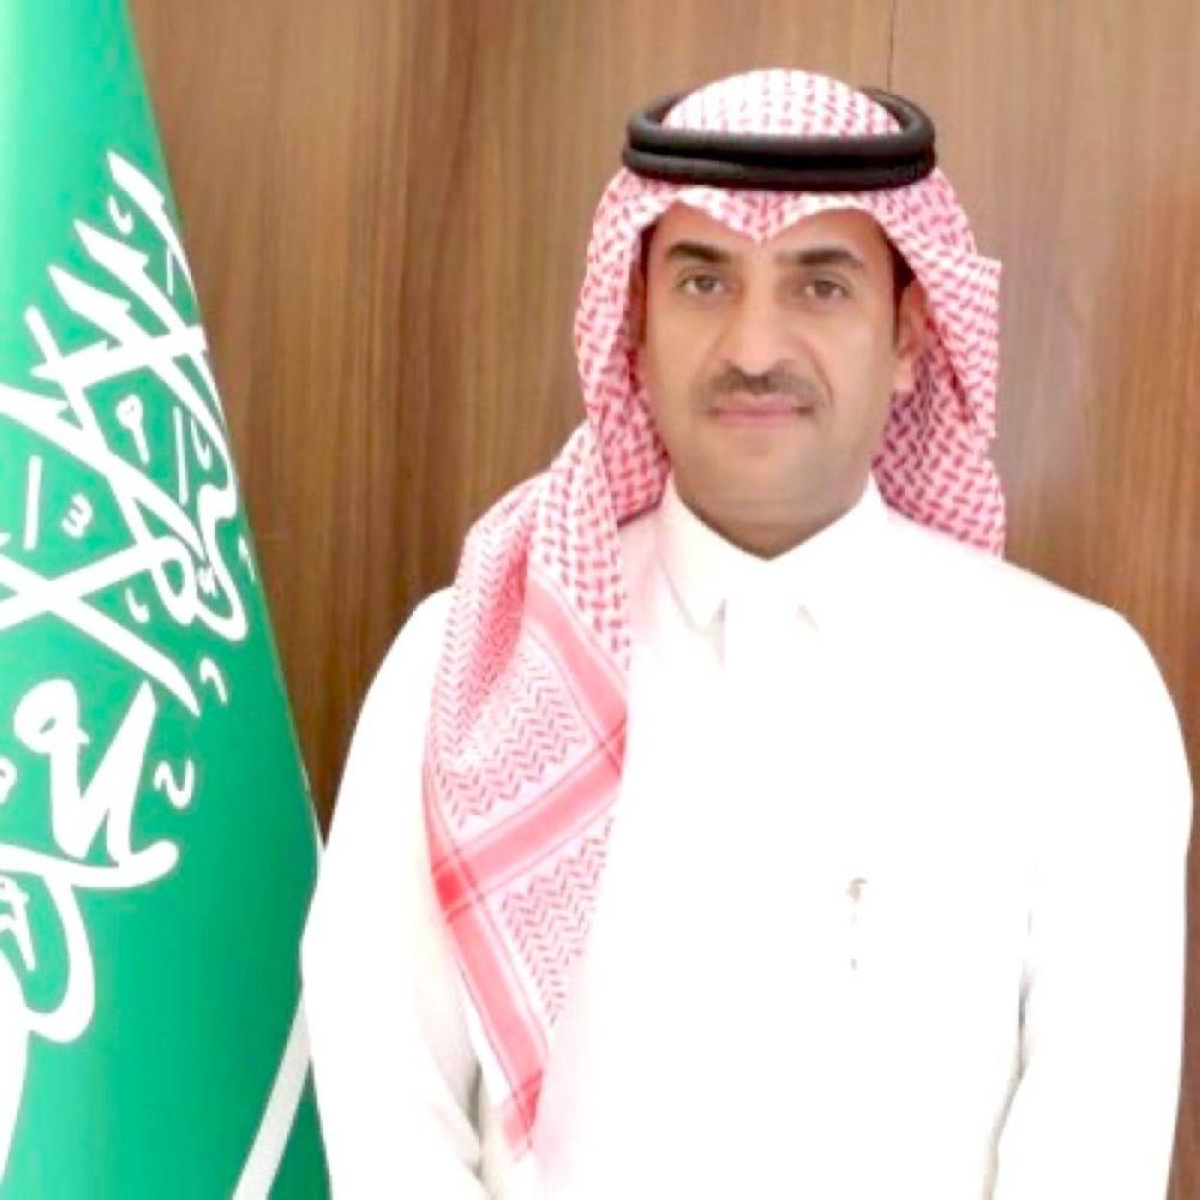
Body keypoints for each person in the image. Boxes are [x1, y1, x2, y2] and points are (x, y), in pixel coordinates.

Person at [302, 69, 1192, 1198]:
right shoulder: (473, 657)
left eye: (820, 285)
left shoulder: (1077, 690)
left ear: (910, 334)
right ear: (636, 326)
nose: (755, 344)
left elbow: (1091, 1143)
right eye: (703, 280)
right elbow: (385, 1088)